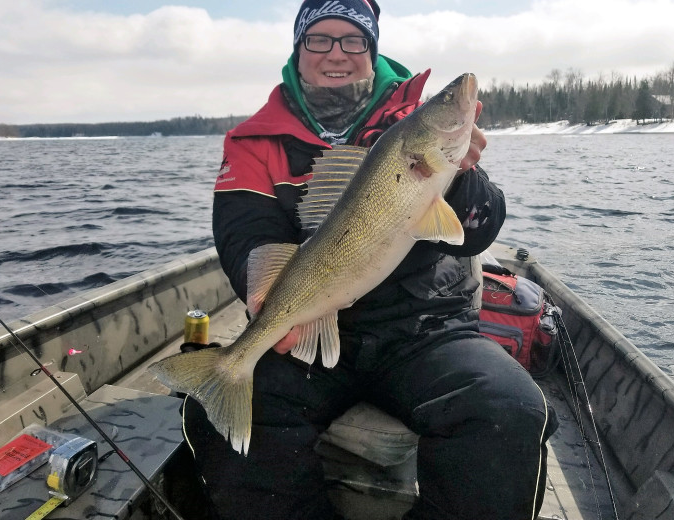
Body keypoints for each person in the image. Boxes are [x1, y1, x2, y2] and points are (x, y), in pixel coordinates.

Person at [182, 1, 557, 518]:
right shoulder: (254, 140)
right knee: (214, 418)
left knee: (508, 409)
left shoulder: (411, 124)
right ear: (298, 49)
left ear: (372, 48)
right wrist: (266, 295)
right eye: (320, 39)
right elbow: (245, 233)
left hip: (425, 329)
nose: (337, 54)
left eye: (353, 40)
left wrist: (461, 175)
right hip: (315, 326)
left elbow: (477, 233)